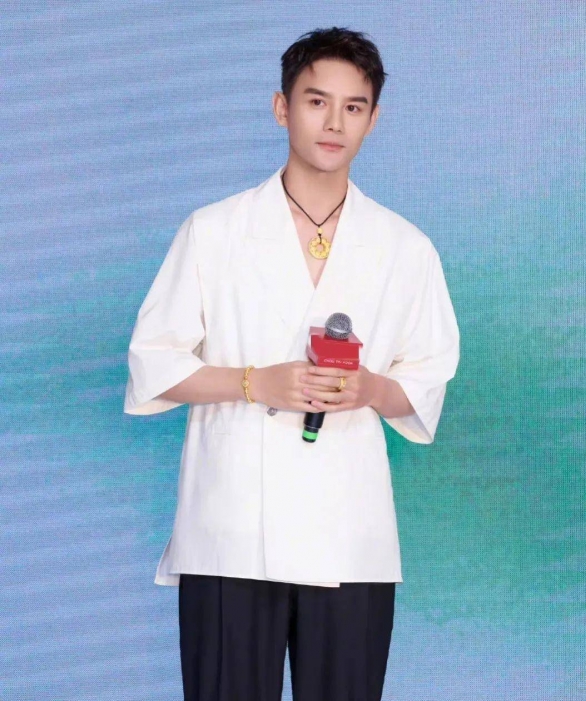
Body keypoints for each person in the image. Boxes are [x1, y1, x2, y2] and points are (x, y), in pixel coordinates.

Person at [124, 26, 459, 701]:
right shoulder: (214, 231)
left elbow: (425, 384)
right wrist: (255, 382)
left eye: (353, 107)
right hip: (231, 527)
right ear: (282, 108)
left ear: (373, 119)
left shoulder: (405, 247)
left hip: (350, 530)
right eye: (316, 101)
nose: (334, 123)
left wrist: (369, 388)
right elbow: (154, 364)